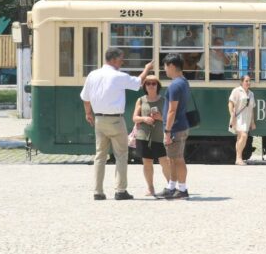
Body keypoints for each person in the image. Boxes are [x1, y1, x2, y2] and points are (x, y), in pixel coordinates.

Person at [80, 48, 153, 201]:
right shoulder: (118, 76)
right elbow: (138, 82)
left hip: (99, 119)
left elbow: (85, 98)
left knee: (100, 156)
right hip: (115, 120)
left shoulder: (93, 75)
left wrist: (88, 113)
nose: (122, 62)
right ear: (113, 60)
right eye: (121, 59)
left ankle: (98, 191)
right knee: (121, 155)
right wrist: (146, 69)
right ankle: (120, 190)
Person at [158, 53, 191, 199]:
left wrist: (167, 131)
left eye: (165, 66)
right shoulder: (183, 82)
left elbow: (172, 110)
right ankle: (171, 186)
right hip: (180, 125)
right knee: (172, 158)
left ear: (171, 66)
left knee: (177, 158)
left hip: (175, 128)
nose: (164, 69)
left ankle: (182, 189)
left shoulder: (175, 85)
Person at [131, 75, 170, 196]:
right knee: (147, 162)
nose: (151, 86)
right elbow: (134, 118)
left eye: (154, 83)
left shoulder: (164, 100)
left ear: (158, 86)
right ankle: (150, 188)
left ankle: (171, 186)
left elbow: (170, 118)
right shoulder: (141, 100)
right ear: (145, 86)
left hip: (159, 135)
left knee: (164, 161)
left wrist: (160, 117)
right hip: (144, 136)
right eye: (148, 83)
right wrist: (144, 118)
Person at [228, 75, 256, 165]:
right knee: (244, 136)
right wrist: (232, 115)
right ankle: (238, 158)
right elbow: (230, 103)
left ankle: (238, 159)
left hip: (247, 119)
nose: (248, 83)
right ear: (242, 82)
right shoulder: (236, 91)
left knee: (240, 138)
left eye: (249, 81)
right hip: (238, 118)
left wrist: (252, 122)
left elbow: (251, 109)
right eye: (246, 81)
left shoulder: (251, 94)